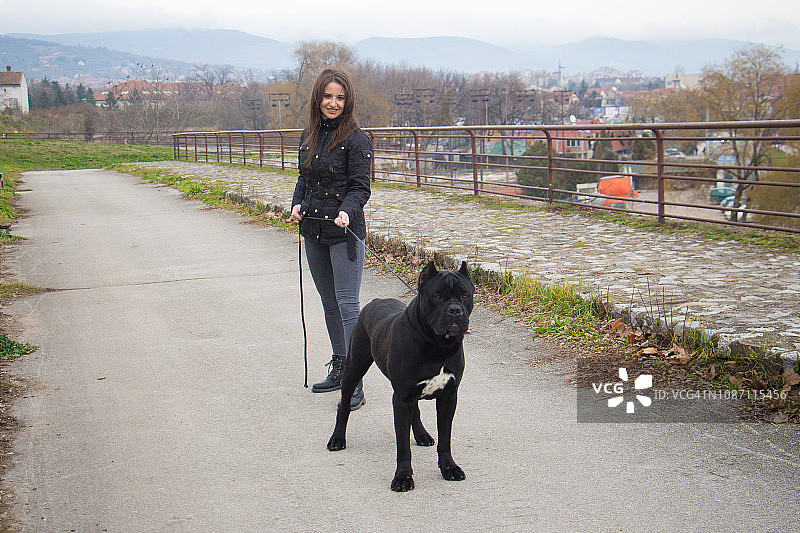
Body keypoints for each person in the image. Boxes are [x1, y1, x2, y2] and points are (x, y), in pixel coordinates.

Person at [291, 67, 372, 410]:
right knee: (328, 303)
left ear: (348, 100)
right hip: (313, 230)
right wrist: (296, 203)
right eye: (327, 96)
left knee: (347, 303)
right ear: (318, 99)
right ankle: (340, 364)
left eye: (340, 97)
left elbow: (360, 188)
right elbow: (303, 179)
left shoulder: (357, 139)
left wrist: (347, 211)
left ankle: (355, 380)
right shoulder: (308, 137)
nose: (333, 103)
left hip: (344, 232)